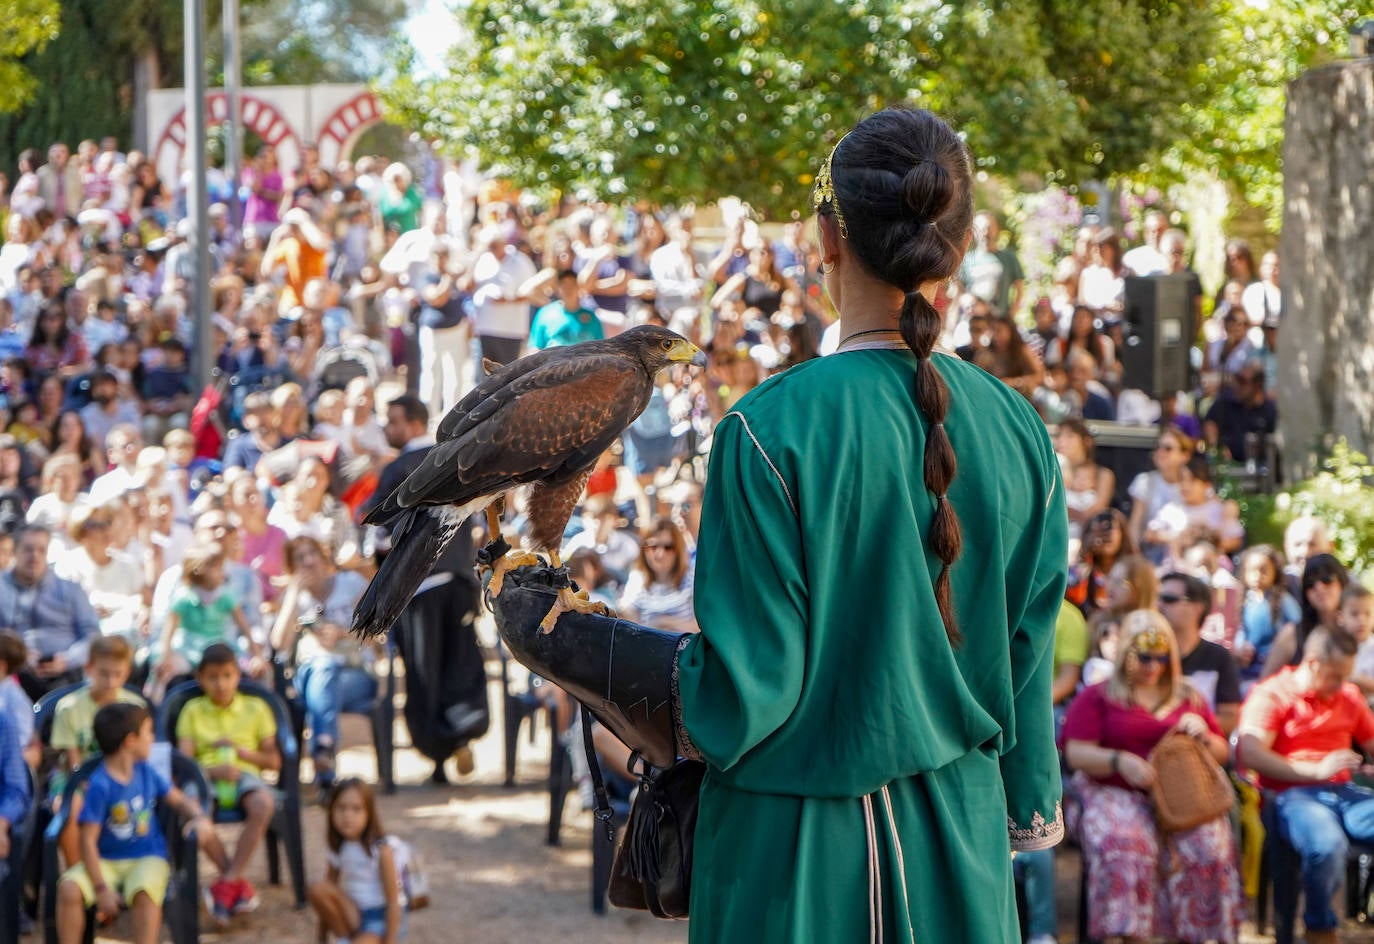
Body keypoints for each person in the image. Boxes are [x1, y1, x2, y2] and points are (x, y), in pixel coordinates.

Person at [491, 107, 1067, 941]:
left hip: (793, 864)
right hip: (960, 850)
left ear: (823, 239)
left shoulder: (767, 429)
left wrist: (589, 655)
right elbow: (1024, 676)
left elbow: (740, 697)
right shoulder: (1022, 432)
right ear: (963, 248)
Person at [1061, 610, 1241, 943]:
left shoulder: (1188, 696)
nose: (1153, 665)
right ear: (1126, 654)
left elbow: (1222, 752)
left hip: (1181, 797)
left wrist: (1203, 735)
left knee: (1208, 846)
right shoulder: (1099, 696)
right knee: (1126, 843)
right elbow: (1076, 753)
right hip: (1111, 790)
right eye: (1144, 656)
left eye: (1162, 657)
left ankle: (1199, 934)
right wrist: (1118, 761)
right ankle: (1127, 936)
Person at [359, 394, 487, 784]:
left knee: (423, 671)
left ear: (414, 423)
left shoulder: (398, 468)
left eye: (393, 421)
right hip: (459, 580)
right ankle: (463, 730)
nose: (388, 428)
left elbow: (374, 529)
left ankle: (437, 752)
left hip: (416, 588)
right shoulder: (457, 460)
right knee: (461, 662)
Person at [1237, 627, 1374, 944]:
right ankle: (1320, 928)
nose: (1342, 684)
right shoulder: (1273, 694)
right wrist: (1315, 771)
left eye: (1346, 676)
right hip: (1292, 795)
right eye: (1335, 676)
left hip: (1345, 793)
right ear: (1312, 663)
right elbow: (1250, 753)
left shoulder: (1348, 696)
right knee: (1326, 846)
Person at [55, 703, 211, 944]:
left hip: (147, 857)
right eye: (148, 732)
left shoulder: (147, 772)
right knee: (68, 888)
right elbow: (87, 840)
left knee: (145, 893)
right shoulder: (100, 785)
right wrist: (101, 889)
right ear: (130, 741)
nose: (152, 738)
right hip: (105, 861)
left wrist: (199, 817)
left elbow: (179, 800)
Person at [175, 644, 280, 924]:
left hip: (245, 774)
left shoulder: (256, 708)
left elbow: (273, 761)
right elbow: (184, 765)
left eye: (227, 675)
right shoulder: (192, 710)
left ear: (238, 675)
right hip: (204, 775)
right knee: (197, 816)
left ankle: (227, 881)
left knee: (263, 803)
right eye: (213, 677)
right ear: (200, 678)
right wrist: (212, 770)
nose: (221, 684)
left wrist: (243, 753)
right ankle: (235, 882)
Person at [269, 535, 375, 793]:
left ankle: (323, 762)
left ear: (323, 556)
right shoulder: (294, 598)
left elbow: (377, 634)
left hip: (355, 674)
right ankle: (324, 753)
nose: (307, 562)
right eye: (299, 558)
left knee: (323, 680)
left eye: (311, 554)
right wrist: (293, 594)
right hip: (311, 675)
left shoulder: (352, 584)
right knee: (323, 670)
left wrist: (344, 633)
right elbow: (278, 644)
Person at [1, 523, 101, 699]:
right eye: (28, 549)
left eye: (41, 550)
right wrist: (19, 656)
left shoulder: (70, 590)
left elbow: (92, 635)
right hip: (11, 674)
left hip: (65, 673)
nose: (35, 556)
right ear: (14, 552)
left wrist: (67, 659)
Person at [307, 779, 406, 944]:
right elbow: (328, 893)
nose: (347, 816)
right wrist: (321, 938)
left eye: (356, 809)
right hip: (354, 913)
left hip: (380, 918)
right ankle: (346, 939)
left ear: (369, 813)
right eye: (341, 808)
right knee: (317, 887)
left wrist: (390, 940)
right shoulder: (338, 847)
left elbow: (393, 904)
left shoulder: (381, 850)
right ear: (331, 811)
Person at [1158, 571, 1243, 734]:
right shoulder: (1147, 655)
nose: (1159, 605)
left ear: (1197, 608)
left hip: (1199, 746)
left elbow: (1231, 717)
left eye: (1169, 599)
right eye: (1158, 598)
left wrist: (1199, 725)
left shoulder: (1218, 657)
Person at [1263, 554, 1349, 677]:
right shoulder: (1292, 635)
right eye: (1310, 583)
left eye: (1326, 579)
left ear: (1342, 582)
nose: (1319, 587)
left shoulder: (1359, 629)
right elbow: (1264, 685)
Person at [618, 517, 698, 633]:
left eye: (668, 547)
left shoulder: (692, 579)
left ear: (678, 550)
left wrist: (664, 623)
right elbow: (629, 620)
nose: (659, 554)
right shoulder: (637, 579)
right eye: (653, 547)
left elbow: (700, 627)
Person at [1234, 544, 1301, 683]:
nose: (1257, 576)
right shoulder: (1244, 601)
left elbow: (1297, 628)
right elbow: (1240, 630)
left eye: (1263, 570)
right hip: (1247, 670)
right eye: (1252, 571)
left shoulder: (1284, 601)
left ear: (1275, 572)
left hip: (1276, 671)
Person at [1126, 426, 1191, 565]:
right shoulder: (1144, 481)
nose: (1160, 452)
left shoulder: (1193, 484)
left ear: (1184, 456)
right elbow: (1135, 525)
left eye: (1168, 448)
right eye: (1158, 447)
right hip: (1150, 555)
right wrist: (1136, 556)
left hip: (1187, 554)